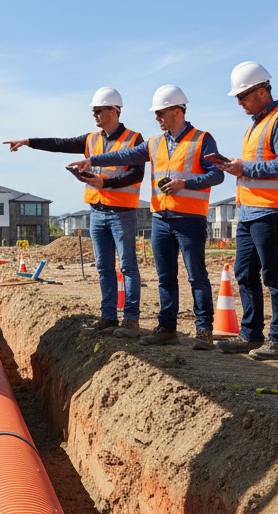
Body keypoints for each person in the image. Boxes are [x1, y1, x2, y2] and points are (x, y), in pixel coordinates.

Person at [72, 85, 224, 348]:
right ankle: (167, 328)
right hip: (161, 218)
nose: (157, 118)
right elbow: (124, 154)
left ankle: (204, 330)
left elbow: (218, 174)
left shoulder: (202, 139)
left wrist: (185, 183)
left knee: (196, 275)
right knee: (165, 276)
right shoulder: (155, 142)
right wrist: (92, 160)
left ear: (177, 111)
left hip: (189, 219)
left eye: (160, 113)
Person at [4, 87, 144, 333]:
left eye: (98, 110)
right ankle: (108, 316)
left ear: (113, 111)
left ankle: (131, 320)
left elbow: (137, 174)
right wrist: (28, 142)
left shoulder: (134, 140)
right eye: (93, 111)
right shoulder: (92, 139)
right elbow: (60, 143)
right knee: (103, 266)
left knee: (127, 266)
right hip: (98, 212)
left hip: (122, 212)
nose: (94, 115)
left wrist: (106, 183)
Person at [216, 61, 278, 361]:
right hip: (250, 212)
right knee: (244, 273)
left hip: (272, 211)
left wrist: (245, 167)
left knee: (274, 275)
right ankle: (251, 334)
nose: (239, 103)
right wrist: (235, 167)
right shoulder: (257, 124)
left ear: (262, 91)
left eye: (243, 96)